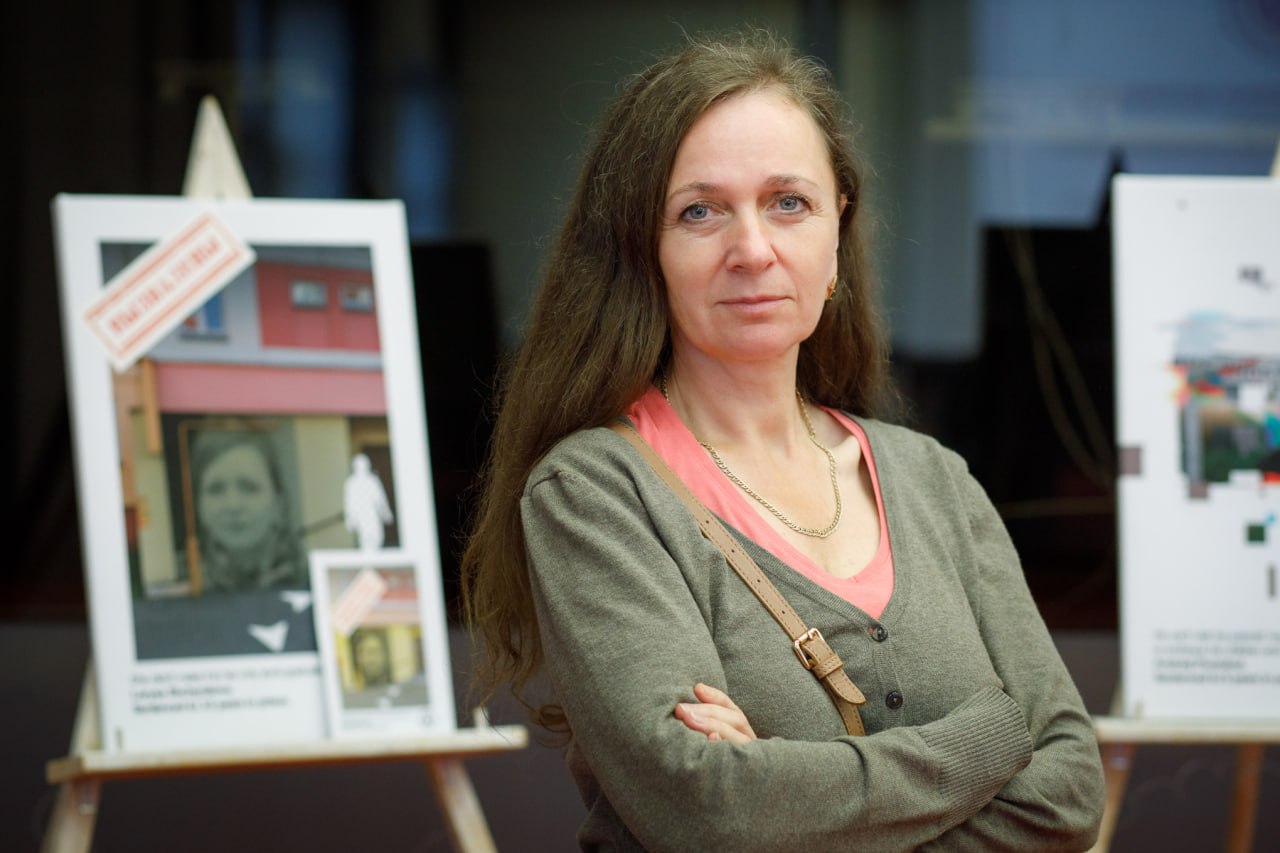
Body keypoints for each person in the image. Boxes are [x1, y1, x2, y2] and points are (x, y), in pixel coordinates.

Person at [462, 30, 1105, 851]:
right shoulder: (595, 491)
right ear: (643, 250)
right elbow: (705, 810)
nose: (753, 250)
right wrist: (989, 741)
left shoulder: (934, 480)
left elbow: (1070, 792)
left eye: (788, 203)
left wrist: (781, 791)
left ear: (838, 231)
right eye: (699, 212)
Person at [189, 425, 307, 593]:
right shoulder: (183, 582)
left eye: (249, 487)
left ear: (279, 504)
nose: (233, 505)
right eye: (216, 489)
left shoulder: (309, 579)